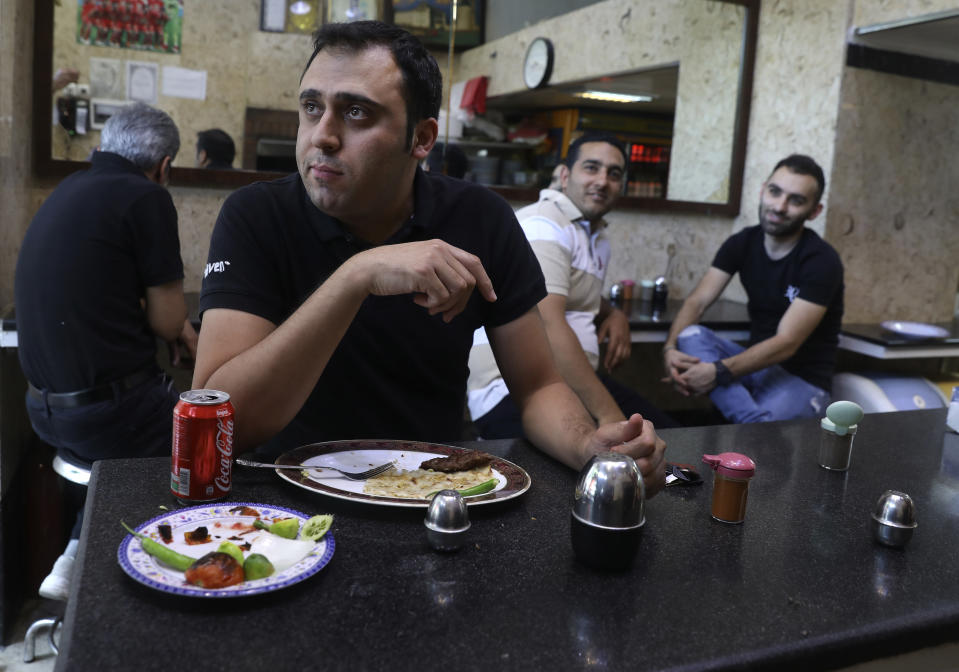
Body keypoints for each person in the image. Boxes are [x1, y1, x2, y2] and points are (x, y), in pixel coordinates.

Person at [193, 21, 666, 496]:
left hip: (431, 494)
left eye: (356, 112)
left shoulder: (480, 218)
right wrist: (358, 274)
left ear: (421, 138)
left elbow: (538, 386)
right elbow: (217, 419)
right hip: (282, 501)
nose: (323, 136)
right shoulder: (256, 215)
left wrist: (588, 446)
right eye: (312, 107)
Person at [15, 102, 197, 598]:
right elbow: (168, 318)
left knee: (127, 439)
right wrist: (178, 328)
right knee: (205, 444)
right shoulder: (145, 197)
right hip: (107, 415)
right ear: (164, 166)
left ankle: (77, 551)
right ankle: (166, 590)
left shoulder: (68, 190)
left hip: (44, 411)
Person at [468, 133, 678, 439]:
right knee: (615, 459)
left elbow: (573, 292)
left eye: (614, 174)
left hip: (571, 382)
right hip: (513, 387)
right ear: (565, 176)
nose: (603, 181)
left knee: (674, 440)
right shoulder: (545, 225)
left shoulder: (594, 235)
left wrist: (613, 313)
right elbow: (548, 325)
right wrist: (609, 417)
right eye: (591, 168)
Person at [662, 154, 844, 423]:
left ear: (814, 211)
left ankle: (751, 427)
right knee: (690, 336)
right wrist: (668, 350)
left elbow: (787, 343)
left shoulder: (821, 261)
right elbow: (697, 302)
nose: (780, 206)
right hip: (753, 369)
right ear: (763, 191)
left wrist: (719, 372)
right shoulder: (742, 243)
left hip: (802, 381)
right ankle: (753, 424)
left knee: (754, 431)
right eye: (775, 192)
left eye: (796, 200)